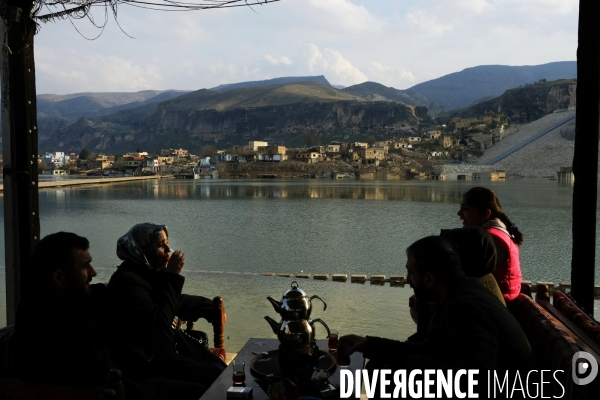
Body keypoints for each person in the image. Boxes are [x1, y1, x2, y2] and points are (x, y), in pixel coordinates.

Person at [339, 236, 535, 396]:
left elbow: (477, 381)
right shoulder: (457, 293)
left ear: (429, 279)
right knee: (378, 365)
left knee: (386, 374)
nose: (408, 279)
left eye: (410, 273)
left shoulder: (464, 309)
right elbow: (431, 347)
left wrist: (411, 364)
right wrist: (370, 344)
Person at [105, 223, 226, 399]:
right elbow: (160, 320)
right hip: (144, 366)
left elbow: (175, 300)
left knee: (218, 369)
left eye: (167, 242)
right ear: (144, 249)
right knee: (212, 379)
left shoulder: (146, 272)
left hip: (162, 353)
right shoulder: (128, 282)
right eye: (160, 245)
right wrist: (172, 276)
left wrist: (212, 307)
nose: (169, 249)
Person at [14, 232, 114, 387]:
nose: (93, 273)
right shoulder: (63, 329)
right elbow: (105, 379)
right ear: (59, 277)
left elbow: (91, 293)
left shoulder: (41, 304)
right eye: (85, 266)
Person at [458, 186, 523, 301]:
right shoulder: (499, 232)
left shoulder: (489, 238)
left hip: (497, 303)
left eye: (466, 209)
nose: (459, 214)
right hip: (500, 299)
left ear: (485, 214)